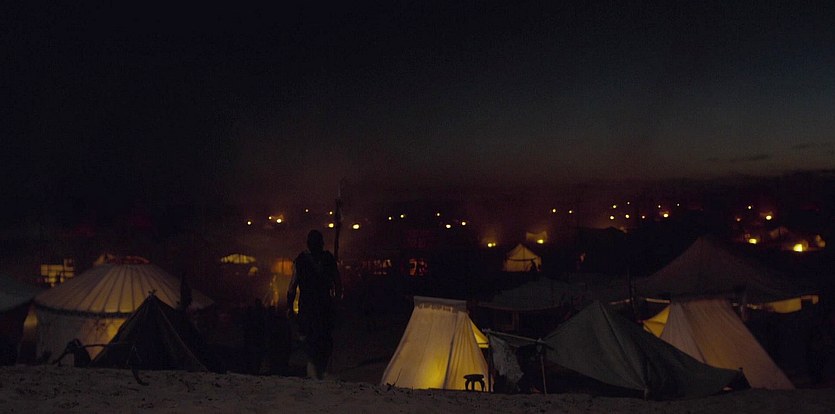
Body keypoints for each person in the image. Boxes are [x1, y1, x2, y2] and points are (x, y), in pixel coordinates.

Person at [286, 230, 342, 379]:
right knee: (315, 339)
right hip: (315, 306)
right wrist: (336, 301)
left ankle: (318, 370)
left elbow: (292, 287)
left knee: (319, 339)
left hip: (318, 306)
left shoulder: (319, 259)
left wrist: (290, 306)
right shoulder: (304, 260)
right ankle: (316, 370)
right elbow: (337, 283)